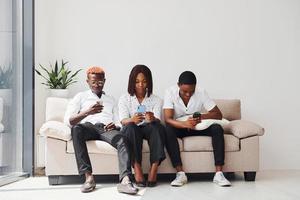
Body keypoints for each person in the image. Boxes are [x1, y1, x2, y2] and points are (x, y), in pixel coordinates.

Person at [64, 66, 138, 194]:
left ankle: (125, 181)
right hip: (87, 127)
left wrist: (115, 126)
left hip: (105, 129)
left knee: (122, 139)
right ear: (87, 81)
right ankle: (88, 178)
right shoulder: (80, 97)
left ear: (104, 81)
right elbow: (69, 120)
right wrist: (87, 112)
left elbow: (118, 120)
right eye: (93, 82)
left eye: (100, 82)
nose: (97, 85)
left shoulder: (111, 99)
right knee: (76, 129)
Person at [163, 71, 231, 187]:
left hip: (197, 126)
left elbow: (218, 114)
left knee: (217, 128)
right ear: (178, 85)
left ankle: (219, 174)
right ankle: (180, 174)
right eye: (185, 91)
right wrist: (185, 124)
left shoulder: (201, 92)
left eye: (191, 91)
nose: (188, 94)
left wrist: (200, 116)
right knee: (168, 129)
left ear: (195, 86)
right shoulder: (170, 92)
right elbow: (168, 119)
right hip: (180, 126)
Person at [119, 65, 166, 187]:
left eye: (144, 81)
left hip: (148, 128)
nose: (140, 85)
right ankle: (137, 167)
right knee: (130, 127)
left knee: (158, 127)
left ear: (149, 82)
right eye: (137, 81)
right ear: (132, 82)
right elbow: (123, 120)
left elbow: (158, 119)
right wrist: (132, 119)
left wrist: (153, 118)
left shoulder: (156, 99)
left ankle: (154, 168)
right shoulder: (124, 98)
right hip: (133, 128)